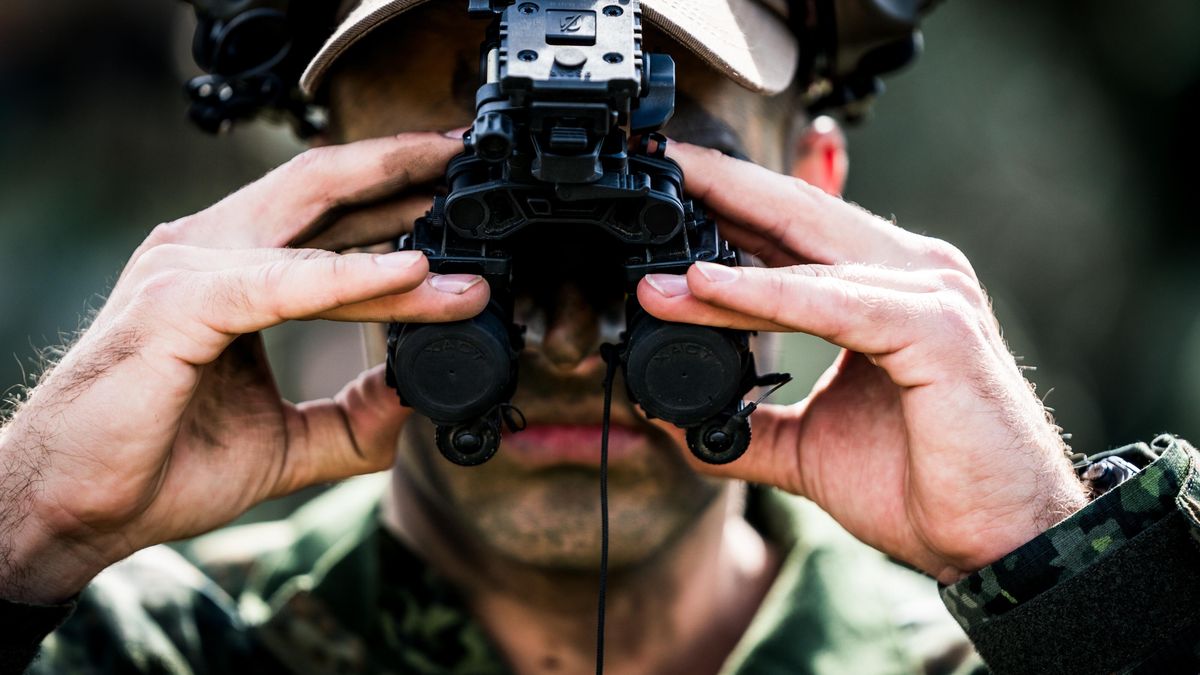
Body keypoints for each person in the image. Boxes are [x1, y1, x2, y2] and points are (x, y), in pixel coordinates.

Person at [1, 1, 1198, 673]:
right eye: (460, 215)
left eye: (668, 216)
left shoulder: (1005, 663)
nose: (569, 338)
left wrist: (1067, 572)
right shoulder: (144, 652)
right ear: (313, 223)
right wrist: (33, 520)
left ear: (817, 204)